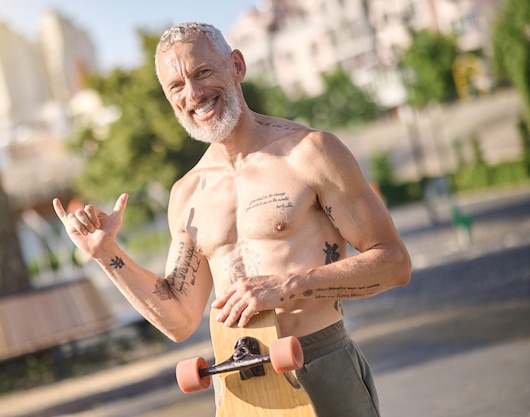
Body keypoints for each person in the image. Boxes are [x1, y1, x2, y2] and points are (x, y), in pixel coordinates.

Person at [53, 22, 411, 417]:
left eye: (203, 72)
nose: (194, 93)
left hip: (318, 363)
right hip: (241, 385)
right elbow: (179, 320)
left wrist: (287, 286)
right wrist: (107, 253)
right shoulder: (187, 194)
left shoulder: (310, 153)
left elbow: (394, 263)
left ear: (236, 66)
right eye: (176, 86)